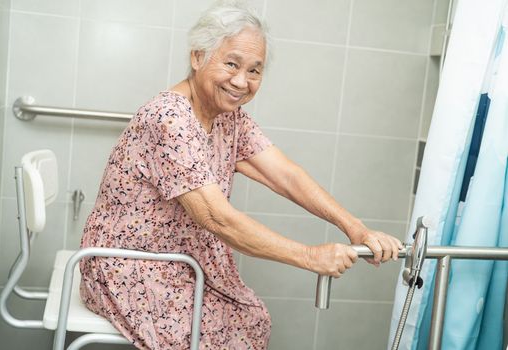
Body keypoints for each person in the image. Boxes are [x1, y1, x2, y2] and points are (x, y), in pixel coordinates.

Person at [79, 1, 403, 349]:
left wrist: (354, 226)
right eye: (231, 63)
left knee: (251, 319)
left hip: (181, 262)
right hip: (130, 267)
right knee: (225, 335)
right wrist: (310, 257)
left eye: (254, 70)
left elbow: (287, 175)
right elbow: (217, 218)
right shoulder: (169, 119)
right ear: (197, 57)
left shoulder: (227, 116)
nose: (241, 81)